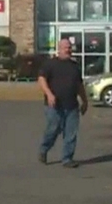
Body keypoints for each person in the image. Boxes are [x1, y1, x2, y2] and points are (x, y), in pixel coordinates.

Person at [37, 39, 89, 167]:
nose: (68, 50)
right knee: (53, 129)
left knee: (71, 133)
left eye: (70, 47)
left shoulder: (74, 66)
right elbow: (41, 79)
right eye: (66, 47)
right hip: (54, 105)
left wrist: (84, 101)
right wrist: (49, 94)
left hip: (72, 105)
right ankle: (44, 149)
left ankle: (67, 159)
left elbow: (79, 85)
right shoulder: (50, 64)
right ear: (59, 49)